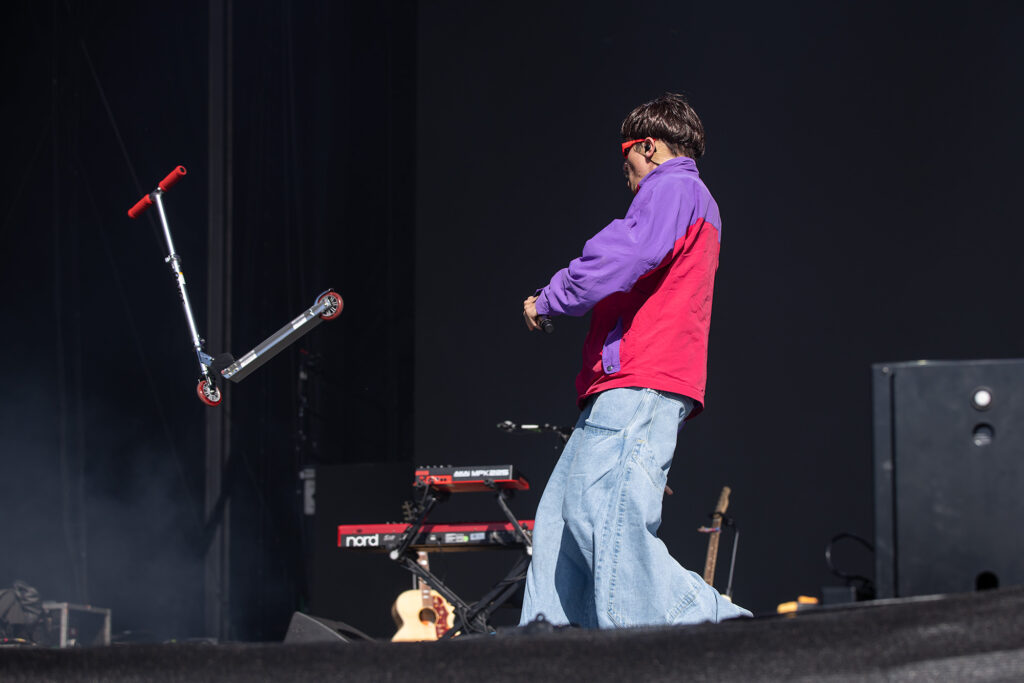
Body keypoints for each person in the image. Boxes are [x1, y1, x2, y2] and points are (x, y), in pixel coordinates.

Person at [519, 93, 750, 629]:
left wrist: (550, 296)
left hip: (641, 381)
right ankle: (550, 647)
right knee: (561, 523)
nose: (628, 180)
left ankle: (729, 629)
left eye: (628, 165)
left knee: (605, 524)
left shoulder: (675, 187)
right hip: (624, 385)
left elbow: (627, 251)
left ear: (647, 146)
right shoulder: (688, 197)